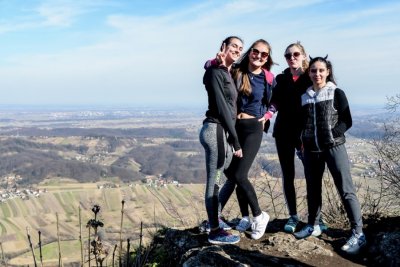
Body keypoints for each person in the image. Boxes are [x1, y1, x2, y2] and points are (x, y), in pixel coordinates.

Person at [293, 56, 366, 255]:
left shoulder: (336, 92)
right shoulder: (304, 96)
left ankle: (358, 233)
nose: (317, 74)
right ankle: (313, 225)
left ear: (327, 72)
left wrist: (332, 134)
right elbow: (300, 123)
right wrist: (301, 143)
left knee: (345, 189)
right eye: (313, 70)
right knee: (313, 189)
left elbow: (346, 120)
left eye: (321, 70)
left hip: (334, 148)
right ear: (309, 73)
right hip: (311, 150)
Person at [216, 39, 275, 240]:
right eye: (255, 52)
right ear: (250, 52)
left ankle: (259, 216)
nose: (259, 56)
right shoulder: (237, 71)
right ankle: (245, 217)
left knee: (239, 174)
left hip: (252, 129)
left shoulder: (268, 78)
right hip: (235, 128)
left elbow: (275, 101)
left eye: (264, 54)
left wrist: (267, 116)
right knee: (233, 173)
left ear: (267, 57)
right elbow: (214, 68)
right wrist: (215, 62)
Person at [265, 42, 326, 233]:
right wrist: (267, 114)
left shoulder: (310, 78)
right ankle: (293, 216)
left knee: (312, 176)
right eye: (288, 55)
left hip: (305, 135)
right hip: (282, 132)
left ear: (304, 55)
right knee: (288, 175)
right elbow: (274, 101)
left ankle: (316, 217)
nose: (292, 58)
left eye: (296, 54)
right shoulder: (281, 79)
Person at [199, 36, 244, 245]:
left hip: (220, 131)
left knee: (223, 170)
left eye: (240, 48)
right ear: (223, 48)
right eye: (234, 46)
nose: (237, 50)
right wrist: (235, 140)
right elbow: (222, 107)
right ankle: (215, 230)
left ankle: (212, 219)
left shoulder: (225, 71)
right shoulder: (215, 71)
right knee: (215, 181)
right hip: (215, 128)